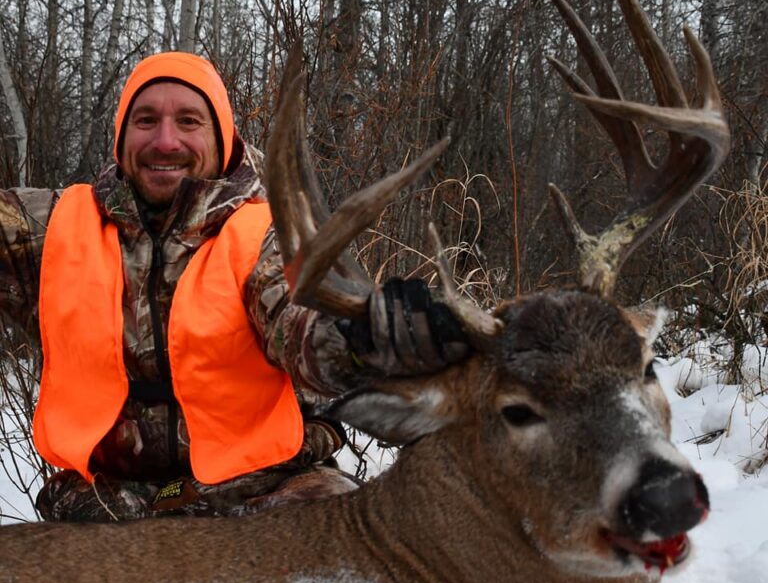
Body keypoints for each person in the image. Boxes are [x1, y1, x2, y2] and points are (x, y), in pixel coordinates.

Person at [0, 51, 468, 521]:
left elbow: (302, 322)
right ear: (121, 138)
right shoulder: (55, 227)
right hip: (107, 503)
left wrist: (363, 334)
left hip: (263, 492)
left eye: (189, 121)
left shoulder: (263, 235)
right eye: (145, 120)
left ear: (221, 137)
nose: (166, 141)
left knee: (357, 541)